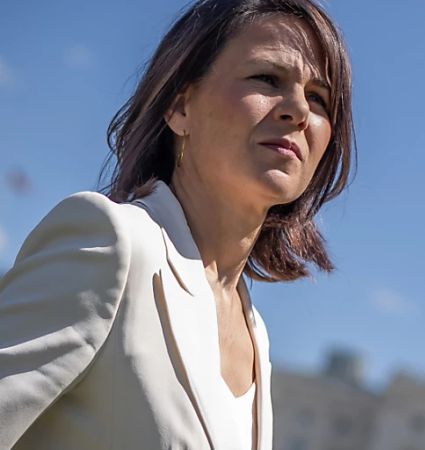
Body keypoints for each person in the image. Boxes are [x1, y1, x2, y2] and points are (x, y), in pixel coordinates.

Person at [0, 0, 353, 448]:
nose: (298, 110)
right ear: (180, 107)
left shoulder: (255, 333)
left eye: (319, 98)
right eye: (267, 78)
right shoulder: (111, 241)